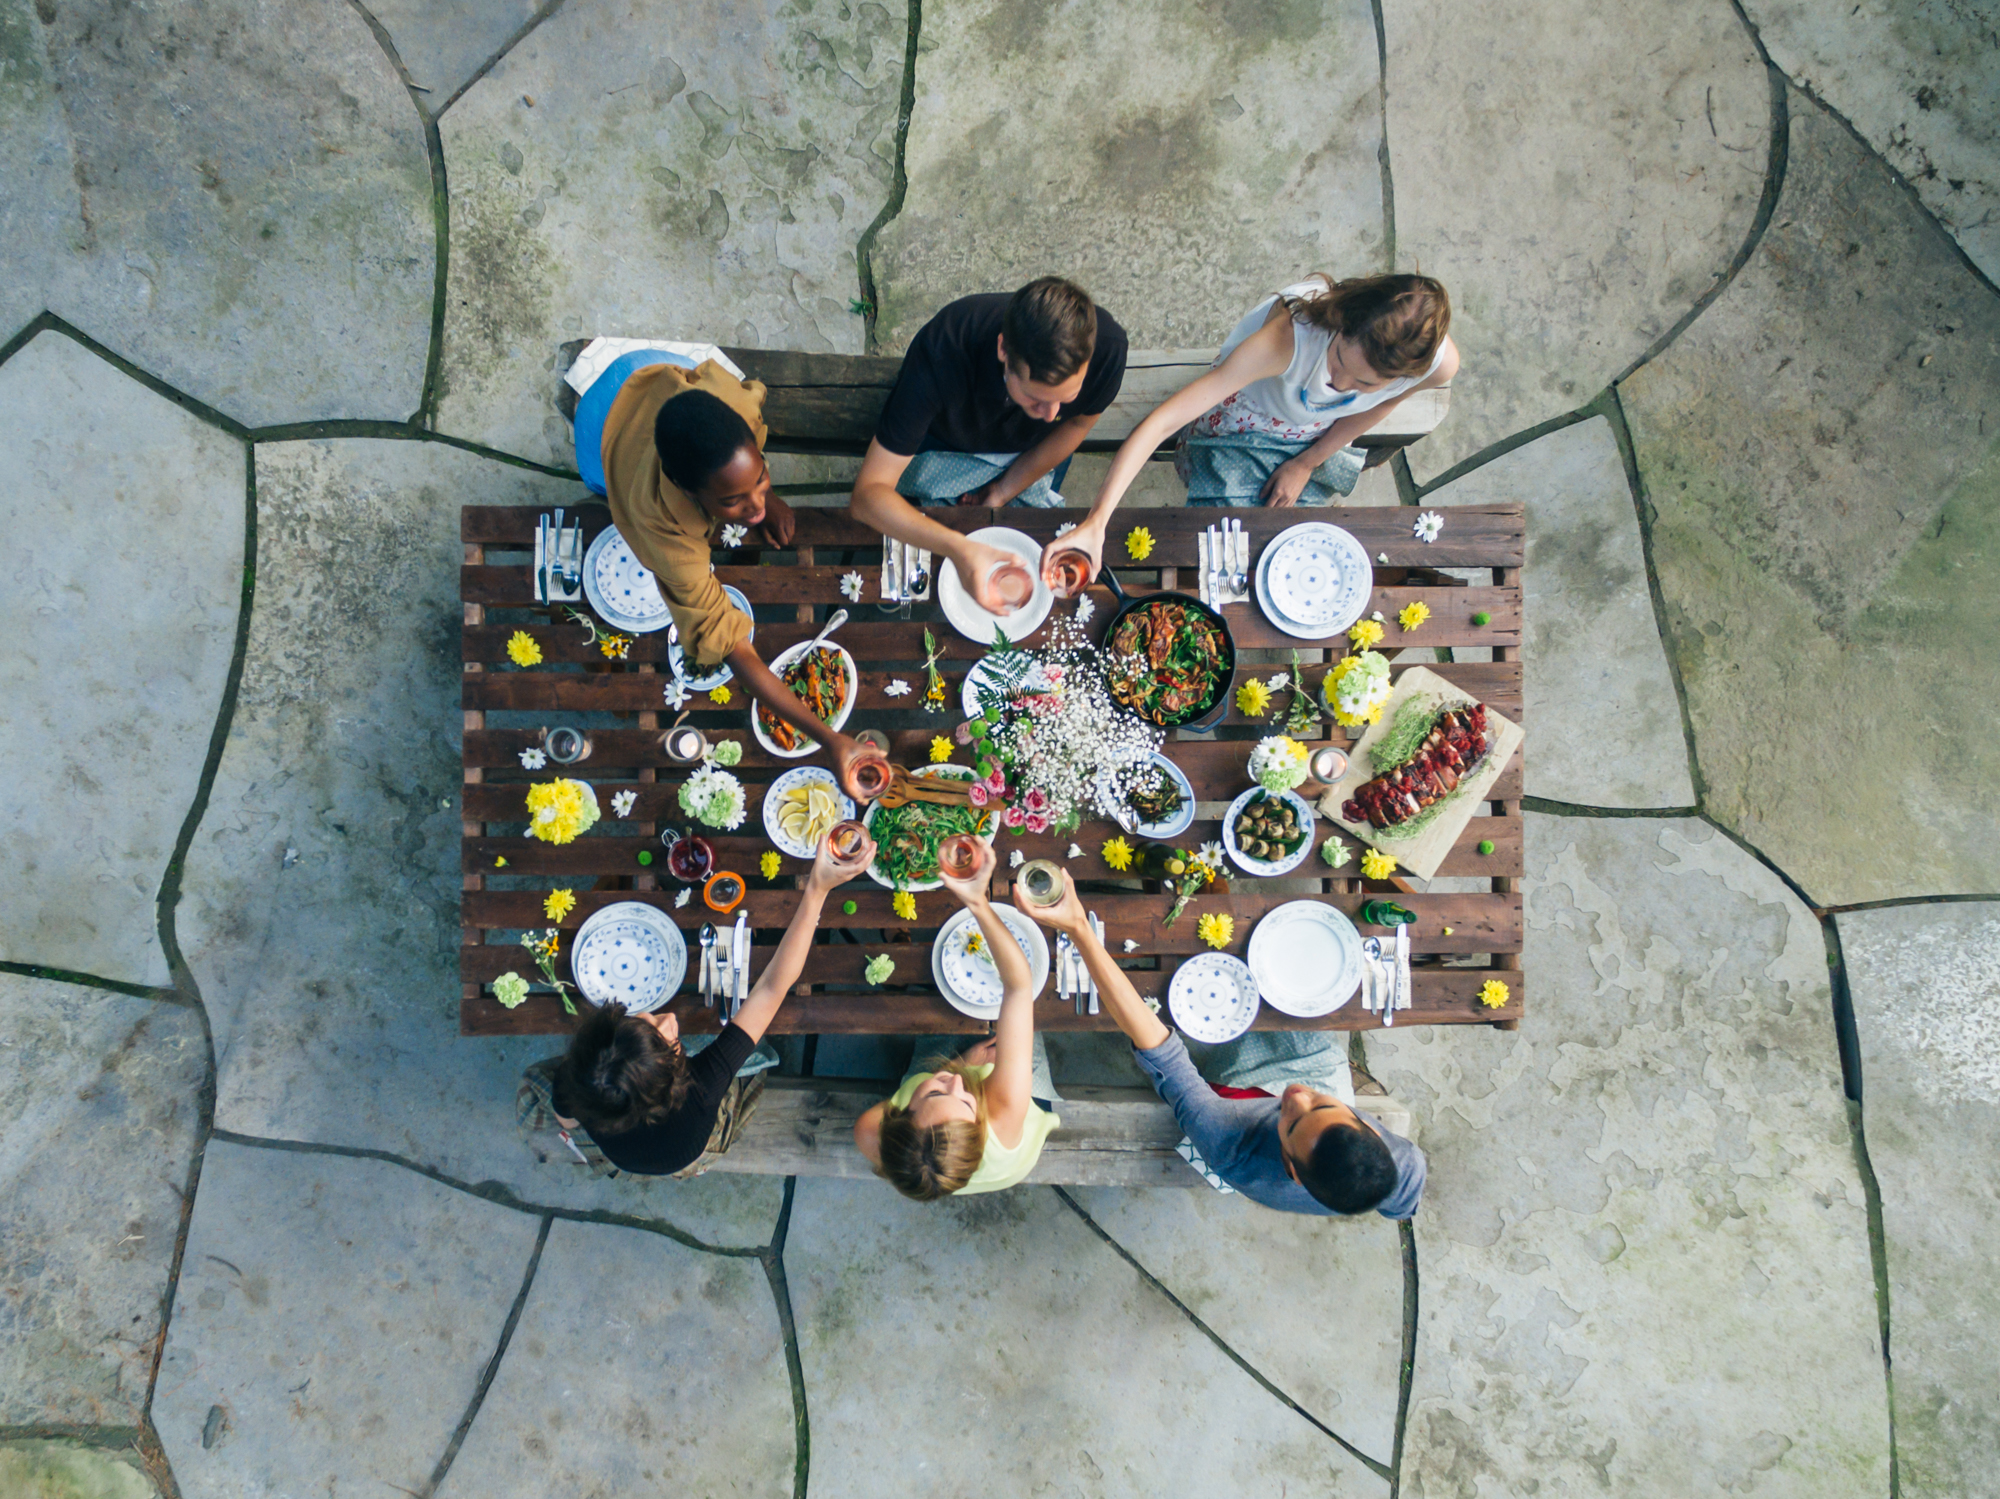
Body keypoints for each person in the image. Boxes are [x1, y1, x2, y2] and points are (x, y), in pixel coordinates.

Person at [1022, 870, 1424, 1218]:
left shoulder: (1229, 1144)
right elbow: (1402, 1206)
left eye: (1296, 1121)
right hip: (1312, 1067)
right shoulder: (1402, 1169)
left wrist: (1078, 927)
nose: (1296, 1094)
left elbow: (1162, 1050)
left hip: (1241, 1099)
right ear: (1368, 1127)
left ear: (1292, 1171)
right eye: (1322, 1104)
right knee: (1277, 982)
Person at [589, 352, 887, 801]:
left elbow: (742, 465)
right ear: (686, 491)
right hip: (608, 432)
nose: (756, 509)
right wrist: (830, 739)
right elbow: (729, 643)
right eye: (733, 502)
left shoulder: (731, 407)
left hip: (650, 378)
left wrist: (766, 500)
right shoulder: (661, 526)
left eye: (761, 479)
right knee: (599, 478)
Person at [1057, 272, 1458, 582]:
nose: (1343, 385)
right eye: (1338, 362)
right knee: (1221, 544)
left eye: (1365, 383)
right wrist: (1097, 520)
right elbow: (1163, 421)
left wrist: (1306, 463)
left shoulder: (1437, 366)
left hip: (1314, 435)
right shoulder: (1291, 337)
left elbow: (1381, 406)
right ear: (1343, 323)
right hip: (1245, 415)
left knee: (1294, 548)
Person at [550, 827, 874, 1175]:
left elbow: (564, 1119)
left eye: (645, 1021)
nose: (670, 1018)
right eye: (667, 1040)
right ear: (673, 1079)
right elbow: (771, 989)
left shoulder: (583, 1078)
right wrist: (817, 888)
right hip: (691, 1150)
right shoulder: (700, 1093)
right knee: (749, 1060)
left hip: (625, 1151)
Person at [847, 277, 1130, 609]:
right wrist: (960, 549)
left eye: (1066, 398)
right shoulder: (944, 350)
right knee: (913, 537)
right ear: (1003, 350)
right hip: (944, 445)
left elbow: (1077, 424)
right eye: (1035, 398)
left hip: (1032, 456)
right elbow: (867, 495)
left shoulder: (1108, 349)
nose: (1051, 415)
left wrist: (1002, 491)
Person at [852, 844, 1062, 1197]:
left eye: (935, 1092)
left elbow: (951, 1078)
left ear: (897, 1116)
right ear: (978, 1125)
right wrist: (976, 901)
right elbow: (1018, 987)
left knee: (934, 1009)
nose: (953, 1081)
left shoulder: (871, 1133)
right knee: (1023, 1030)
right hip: (1011, 1112)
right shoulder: (1002, 1115)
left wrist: (961, 1063)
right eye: (965, 1101)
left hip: (951, 1116)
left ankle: (908, 962)